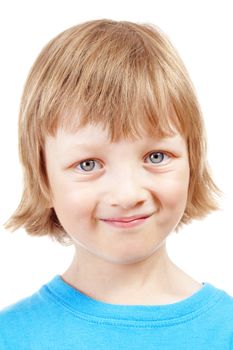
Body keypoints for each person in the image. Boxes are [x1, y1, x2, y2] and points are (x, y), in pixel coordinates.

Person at [0, 19, 232, 349]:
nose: (127, 194)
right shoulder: (10, 337)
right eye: (88, 164)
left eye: (156, 156)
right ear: (43, 176)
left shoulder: (226, 330)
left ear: (193, 161)